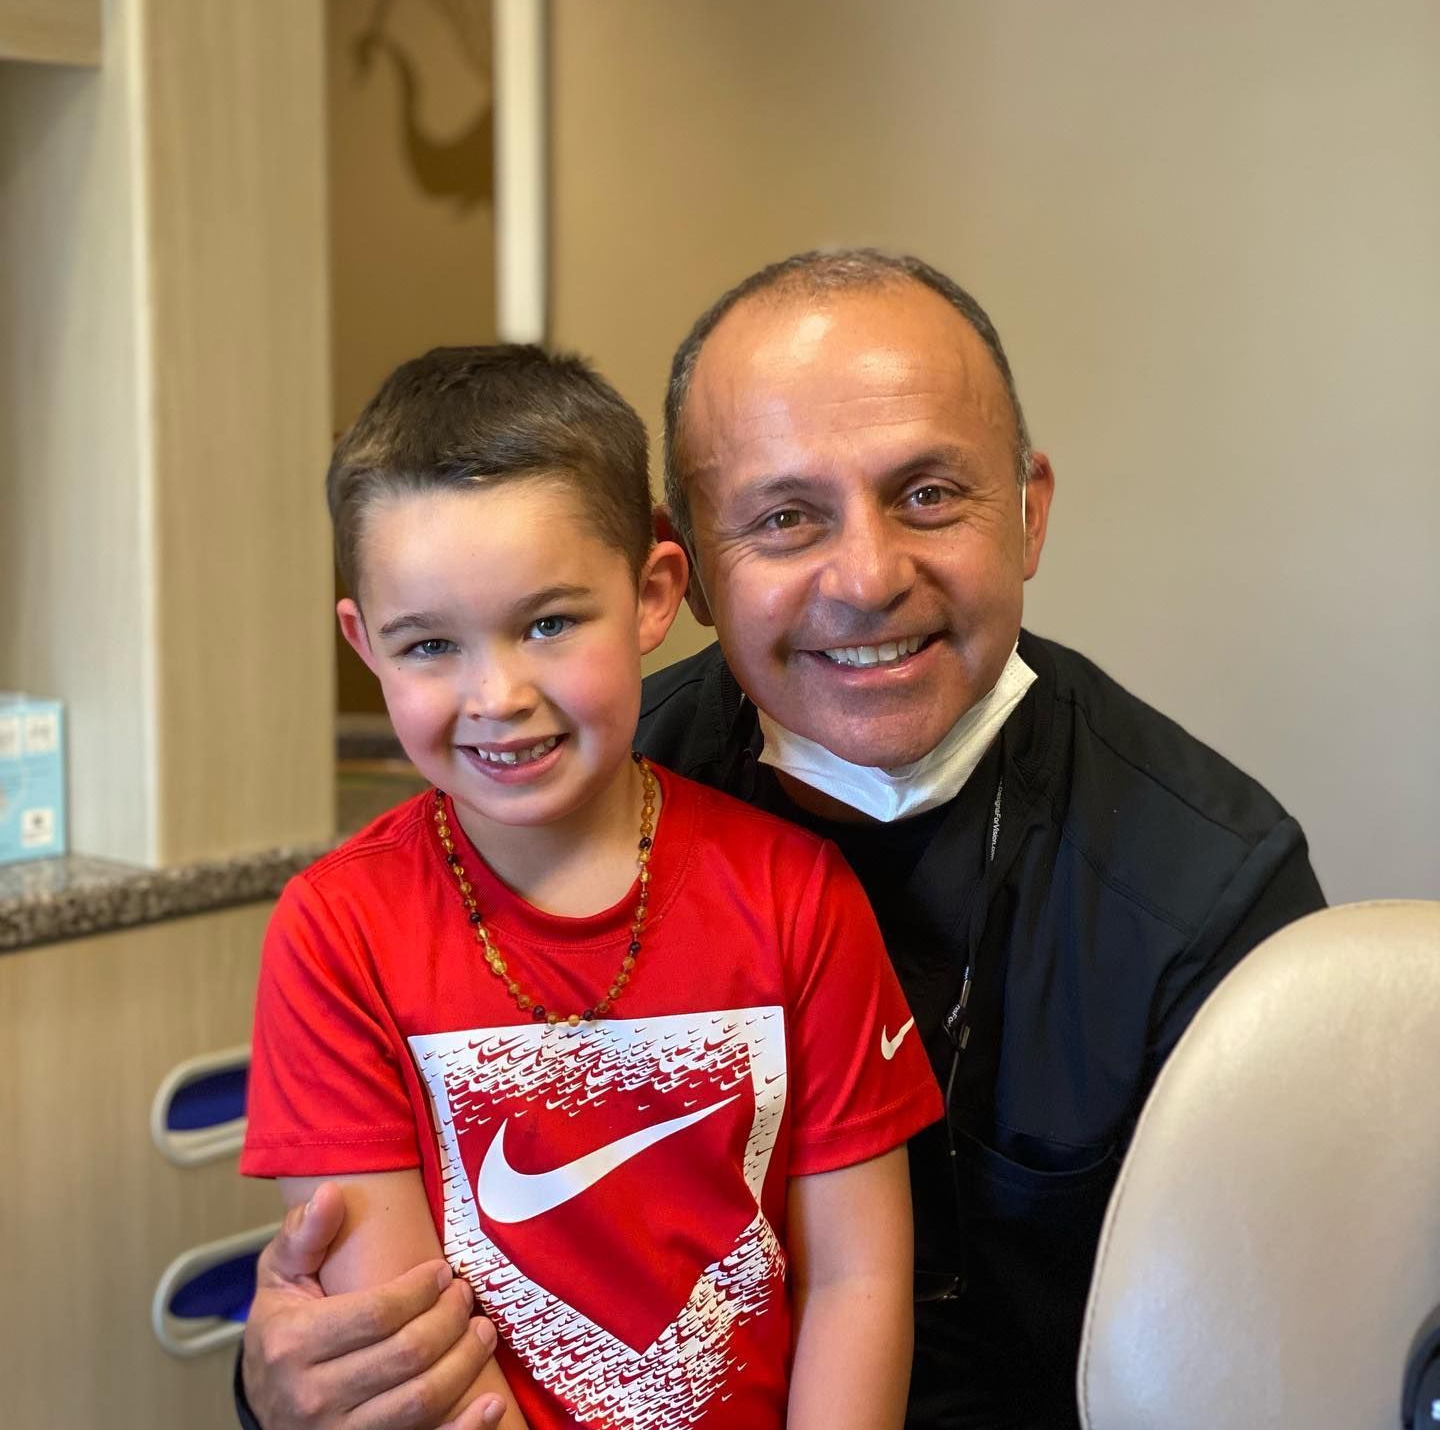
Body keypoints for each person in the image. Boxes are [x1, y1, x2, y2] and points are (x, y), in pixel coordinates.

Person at [237, 252, 1326, 1430]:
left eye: (927, 496)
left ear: (1029, 513)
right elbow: (383, 1287)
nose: (864, 578)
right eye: (785, 518)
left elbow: (1285, 1356)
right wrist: (290, 1390)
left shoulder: (1208, 890)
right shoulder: (563, 778)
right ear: (687, 573)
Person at [239, 344, 942, 1430]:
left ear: (654, 593)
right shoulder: (335, 933)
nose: (497, 694)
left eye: (549, 623)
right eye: (428, 644)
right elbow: (404, 1338)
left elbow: (857, 1280)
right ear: (363, 646)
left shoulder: (797, 894)